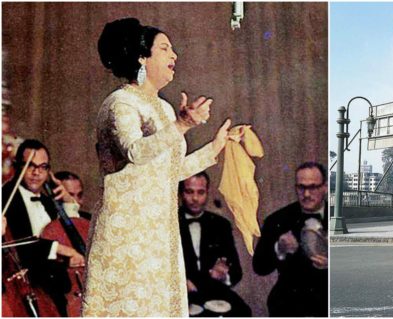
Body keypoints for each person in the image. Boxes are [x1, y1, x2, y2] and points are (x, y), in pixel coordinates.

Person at [83, 18, 234, 316]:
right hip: (127, 232)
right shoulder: (121, 103)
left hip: (158, 232)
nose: (174, 55)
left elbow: (168, 172)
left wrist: (215, 146)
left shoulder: (163, 107)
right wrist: (182, 124)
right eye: (165, 48)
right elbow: (135, 152)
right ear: (142, 58)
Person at [2, 139, 85, 316]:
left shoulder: (49, 202)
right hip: (29, 286)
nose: (36, 173)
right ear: (18, 166)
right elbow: (18, 244)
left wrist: (68, 202)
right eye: (30, 166)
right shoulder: (6, 198)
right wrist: (64, 251)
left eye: (43, 167)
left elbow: (75, 233)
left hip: (57, 287)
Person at [253, 162, 328, 317]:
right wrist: (278, 249)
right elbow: (259, 267)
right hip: (289, 303)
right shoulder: (277, 219)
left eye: (313, 187)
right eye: (301, 187)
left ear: (325, 187)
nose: (306, 194)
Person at [178, 172, 251, 317]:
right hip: (181, 296)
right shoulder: (169, 224)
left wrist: (224, 275)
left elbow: (236, 271)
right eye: (189, 192)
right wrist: (180, 282)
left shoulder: (220, 225)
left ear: (207, 192)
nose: (195, 198)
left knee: (243, 312)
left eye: (201, 192)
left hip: (214, 293)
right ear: (180, 193)